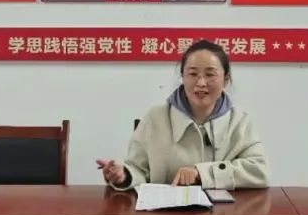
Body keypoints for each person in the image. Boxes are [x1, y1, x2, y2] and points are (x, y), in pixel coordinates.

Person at [96, 39, 269, 191]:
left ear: (226, 79)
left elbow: (260, 171)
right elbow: (137, 169)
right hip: (164, 214)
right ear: (183, 77)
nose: (201, 83)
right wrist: (123, 175)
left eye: (210, 74)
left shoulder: (239, 121)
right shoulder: (155, 117)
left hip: (222, 214)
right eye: (192, 74)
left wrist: (201, 173)